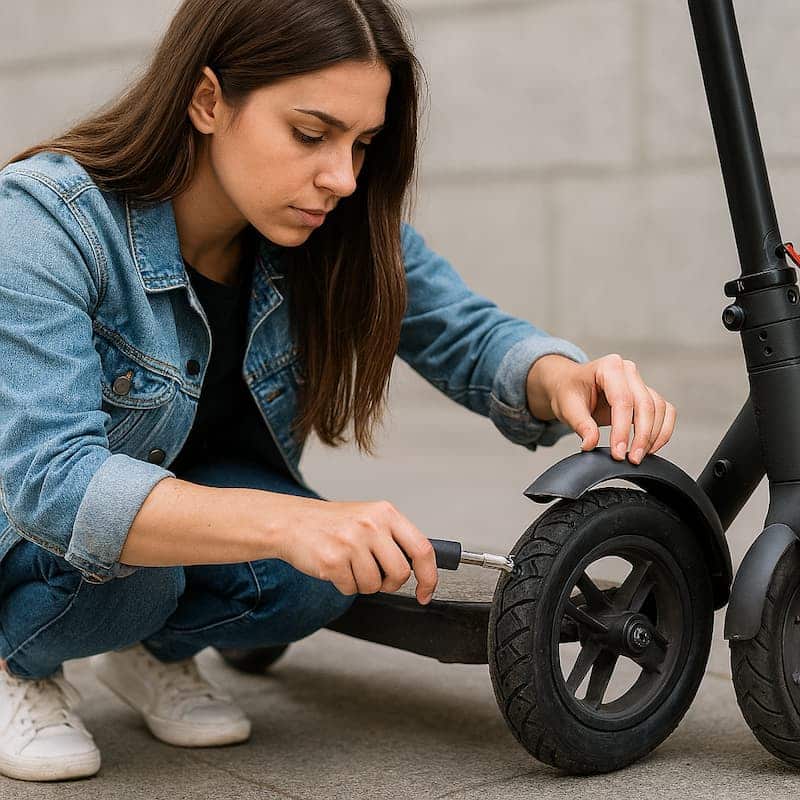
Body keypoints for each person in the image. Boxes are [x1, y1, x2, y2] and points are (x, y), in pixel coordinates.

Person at [0, 0, 676, 783]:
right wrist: (287, 521)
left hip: (184, 504)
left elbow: (465, 330)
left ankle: (148, 652)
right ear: (208, 99)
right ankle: (18, 664)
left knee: (328, 573)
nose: (342, 178)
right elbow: (54, 486)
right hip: (29, 527)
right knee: (142, 577)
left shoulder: (329, 224)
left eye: (363, 144)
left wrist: (565, 377)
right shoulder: (45, 222)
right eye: (311, 134)